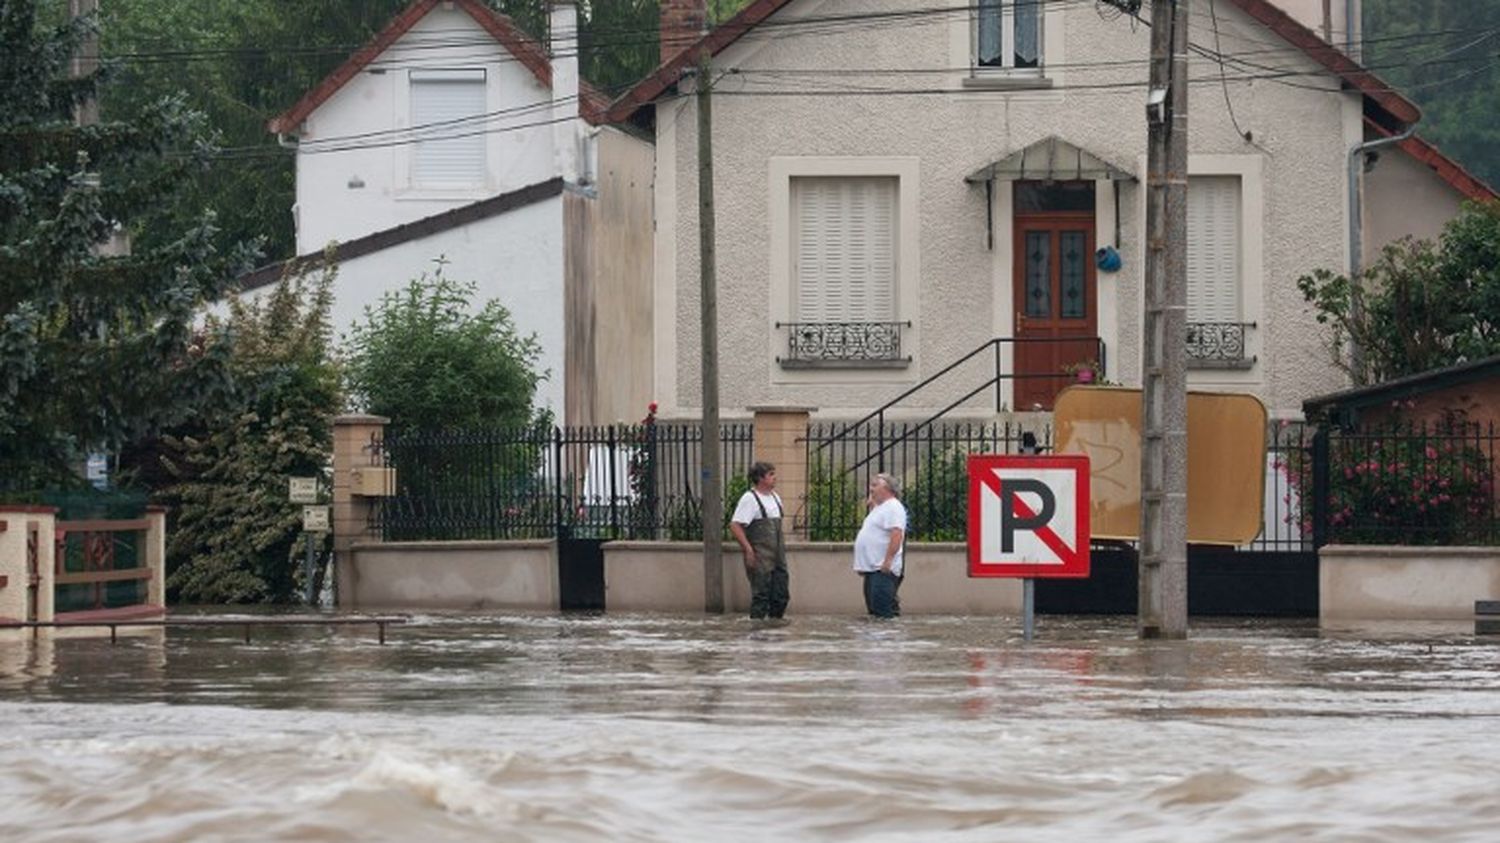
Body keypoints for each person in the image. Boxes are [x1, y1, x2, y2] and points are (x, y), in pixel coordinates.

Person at [729, 461, 788, 619]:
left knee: (781, 596)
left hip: (778, 557)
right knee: (761, 596)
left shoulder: (776, 497)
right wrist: (748, 550)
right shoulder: (750, 498)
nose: (775, 478)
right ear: (760, 478)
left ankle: (774, 631)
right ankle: (757, 634)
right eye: (771, 474)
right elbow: (735, 525)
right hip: (760, 556)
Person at [853, 472, 906, 619]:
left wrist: (888, 561)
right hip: (873, 568)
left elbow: (896, 534)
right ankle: (877, 641)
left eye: (875, 485)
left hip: (883, 569)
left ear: (888, 489)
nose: (871, 488)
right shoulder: (880, 508)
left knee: (883, 613)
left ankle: (888, 640)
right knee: (874, 611)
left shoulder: (893, 507)